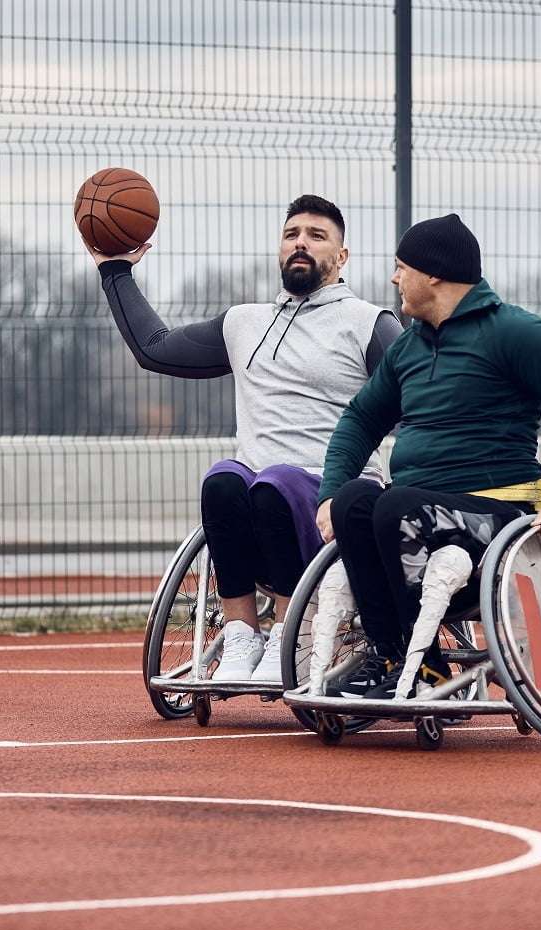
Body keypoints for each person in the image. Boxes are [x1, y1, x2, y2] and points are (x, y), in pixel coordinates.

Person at [84, 195, 401, 682]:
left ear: (342, 257)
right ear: (279, 249)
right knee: (222, 480)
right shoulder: (243, 323)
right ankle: (240, 635)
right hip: (257, 495)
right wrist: (114, 271)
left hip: (332, 498)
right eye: (292, 234)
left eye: (317, 236)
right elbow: (155, 349)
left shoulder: (371, 324)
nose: (301, 242)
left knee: (271, 484)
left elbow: (416, 402)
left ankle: (287, 634)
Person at [314, 213, 541, 698]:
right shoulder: (408, 348)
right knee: (355, 502)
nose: (394, 279)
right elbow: (360, 420)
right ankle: (392, 655)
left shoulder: (515, 332)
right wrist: (330, 493)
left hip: (500, 518)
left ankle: (429, 671)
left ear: (433, 274)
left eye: (400, 267)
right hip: (420, 510)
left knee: (395, 506)